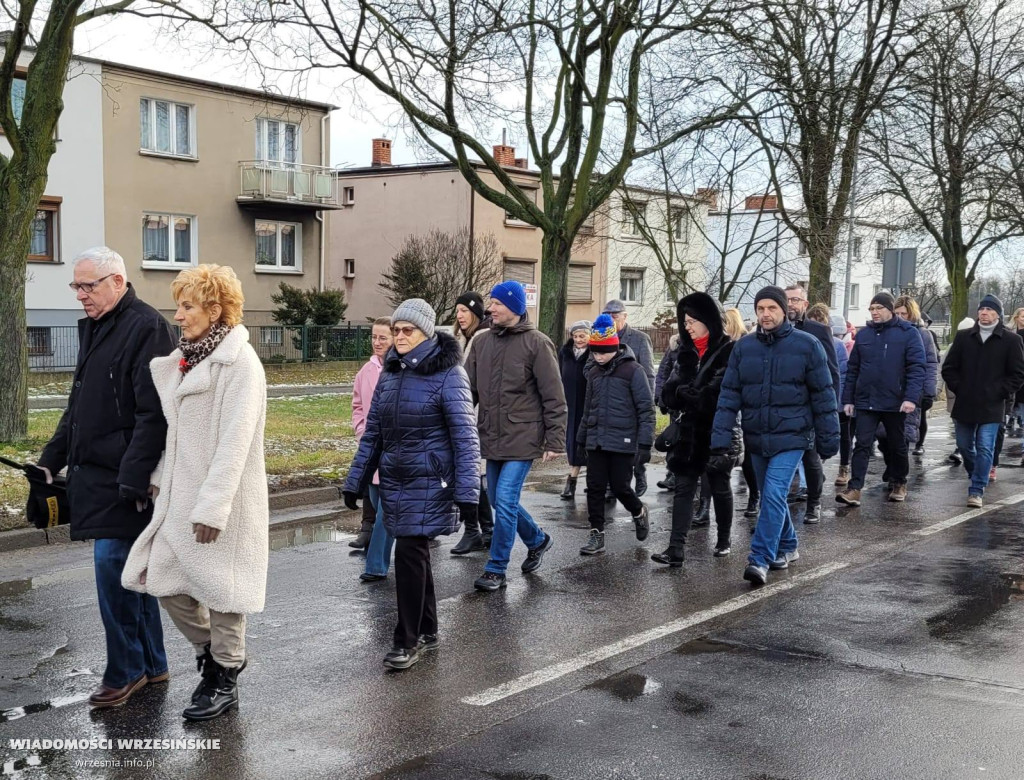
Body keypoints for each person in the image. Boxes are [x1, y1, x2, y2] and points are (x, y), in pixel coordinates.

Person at [121, 265, 267, 721]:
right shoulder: (188, 358)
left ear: (215, 310)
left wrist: (214, 506)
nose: (178, 315)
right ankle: (212, 654)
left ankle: (223, 678)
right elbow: (178, 434)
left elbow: (235, 442)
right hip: (180, 495)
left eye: (188, 306)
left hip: (224, 499)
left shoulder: (240, 364)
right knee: (162, 579)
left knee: (224, 593)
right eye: (178, 305)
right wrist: (160, 476)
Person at [35, 247, 175, 709]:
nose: (80, 296)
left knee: (114, 572)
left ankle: (125, 671)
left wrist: (135, 479)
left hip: (125, 480)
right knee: (129, 574)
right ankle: (152, 666)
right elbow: (78, 406)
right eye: (76, 286)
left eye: (88, 286)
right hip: (95, 475)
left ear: (117, 281)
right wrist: (50, 459)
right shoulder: (98, 325)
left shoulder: (147, 326)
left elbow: (153, 415)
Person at [343, 299, 480, 669]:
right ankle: (429, 629)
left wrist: (468, 493)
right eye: (397, 330)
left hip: (431, 481)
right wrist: (354, 481)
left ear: (427, 334)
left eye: (408, 331)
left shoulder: (449, 374)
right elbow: (373, 434)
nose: (399, 337)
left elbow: (465, 438)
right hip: (395, 478)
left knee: (408, 553)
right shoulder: (390, 373)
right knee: (415, 552)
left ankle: (407, 640)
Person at [712, 286, 838, 586]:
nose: (766, 314)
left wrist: (829, 436)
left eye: (772, 308)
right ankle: (788, 545)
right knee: (774, 497)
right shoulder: (745, 347)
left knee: (773, 493)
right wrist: (719, 436)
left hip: (793, 436)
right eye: (760, 309)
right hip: (758, 436)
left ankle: (759, 559)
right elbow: (729, 395)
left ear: (784, 311)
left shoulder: (807, 345)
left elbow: (823, 394)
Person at [465, 281, 566, 591]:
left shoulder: (537, 343)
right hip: (491, 436)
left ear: (515, 307)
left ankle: (496, 569)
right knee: (496, 499)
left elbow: (553, 395)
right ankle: (537, 539)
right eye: (490, 303)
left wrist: (555, 439)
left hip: (523, 436)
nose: (490, 308)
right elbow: (465, 392)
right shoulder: (482, 344)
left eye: (497, 303)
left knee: (505, 500)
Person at [653, 293, 737, 566]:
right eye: (685, 321)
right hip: (688, 432)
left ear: (708, 321)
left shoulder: (728, 349)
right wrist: (679, 393)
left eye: (692, 321)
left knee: (719, 486)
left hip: (717, 432)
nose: (687, 326)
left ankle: (723, 538)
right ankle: (675, 549)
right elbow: (669, 392)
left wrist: (690, 394)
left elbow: (719, 393)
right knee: (684, 489)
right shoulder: (685, 352)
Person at [837, 292, 926, 506]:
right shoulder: (865, 335)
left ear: (890, 309)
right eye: (872, 309)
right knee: (862, 445)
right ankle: (855, 488)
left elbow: (916, 368)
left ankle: (899, 482)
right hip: (866, 400)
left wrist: (910, 398)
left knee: (897, 445)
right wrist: (848, 399)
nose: (875, 312)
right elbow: (853, 368)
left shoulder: (908, 333)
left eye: (879, 308)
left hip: (895, 402)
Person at [576, 315, 654, 555]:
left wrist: (644, 444)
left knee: (621, 487)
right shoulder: (595, 374)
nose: (597, 357)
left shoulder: (633, 370)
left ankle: (638, 511)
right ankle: (596, 533)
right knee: (595, 487)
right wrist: (581, 438)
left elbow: (646, 409)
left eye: (601, 352)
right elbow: (588, 408)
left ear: (613, 348)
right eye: (594, 353)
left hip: (624, 441)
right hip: (597, 440)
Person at [941, 294, 1024, 507]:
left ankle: (977, 489)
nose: (984, 313)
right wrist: (960, 387)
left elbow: (1017, 374)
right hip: (965, 402)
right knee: (964, 445)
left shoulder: (1011, 340)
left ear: (998, 313)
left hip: (992, 404)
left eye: (989, 309)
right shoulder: (964, 337)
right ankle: (976, 471)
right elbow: (949, 368)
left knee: (986, 447)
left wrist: (1000, 391)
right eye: (981, 309)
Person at [784, 285, 839, 522]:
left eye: (796, 300)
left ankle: (814, 502)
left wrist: (830, 408)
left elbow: (832, 372)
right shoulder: (773, 330)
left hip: (810, 406)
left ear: (805, 304)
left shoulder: (819, 331)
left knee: (810, 457)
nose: (791, 305)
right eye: (787, 300)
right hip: (783, 406)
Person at [450, 291, 495, 554]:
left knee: (471, 475)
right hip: (466, 414)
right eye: (457, 312)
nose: (459, 316)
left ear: (476, 313)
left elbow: (472, 383)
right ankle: (483, 531)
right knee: (472, 475)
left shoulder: (482, 338)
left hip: (474, 417)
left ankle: (476, 531)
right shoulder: (462, 339)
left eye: (464, 311)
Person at [353, 318, 395, 581]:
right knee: (383, 507)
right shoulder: (365, 372)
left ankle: (375, 565)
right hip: (371, 452)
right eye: (374, 337)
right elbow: (357, 405)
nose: (377, 342)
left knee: (385, 510)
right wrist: (361, 431)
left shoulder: (401, 369)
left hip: (394, 451)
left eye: (383, 338)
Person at [602, 299, 655, 496]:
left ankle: (639, 473)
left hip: (634, 396)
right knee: (610, 442)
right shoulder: (603, 337)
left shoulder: (639, 339)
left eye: (615, 316)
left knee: (632, 443)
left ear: (624, 316)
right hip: (612, 398)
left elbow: (649, 371)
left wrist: (648, 398)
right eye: (607, 316)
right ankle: (611, 484)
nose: (611, 320)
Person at [892, 296, 939, 462]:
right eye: (896, 313)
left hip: (914, 387)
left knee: (910, 427)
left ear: (911, 314)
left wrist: (929, 391)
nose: (899, 317)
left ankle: (899, 471)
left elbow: (931, 363)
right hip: (891, 388)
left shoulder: (923, 334)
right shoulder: (889, 332)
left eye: (903, 313)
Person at [559, 321, 591, 500]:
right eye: (575, 336)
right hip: (569, 404)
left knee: (589, 443)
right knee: (572, 443)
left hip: (588, 404)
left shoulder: (594, 353)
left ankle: (593, 481)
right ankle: (572, 480)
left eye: (582, 336)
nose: (578, 340)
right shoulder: (565, 354)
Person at [654, 331, 682, 492]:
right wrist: (660, 396)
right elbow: (664, 372)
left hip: (695, 403)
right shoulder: (674, 346)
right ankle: (671, 473)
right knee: (673, 439)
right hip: (675, 403)